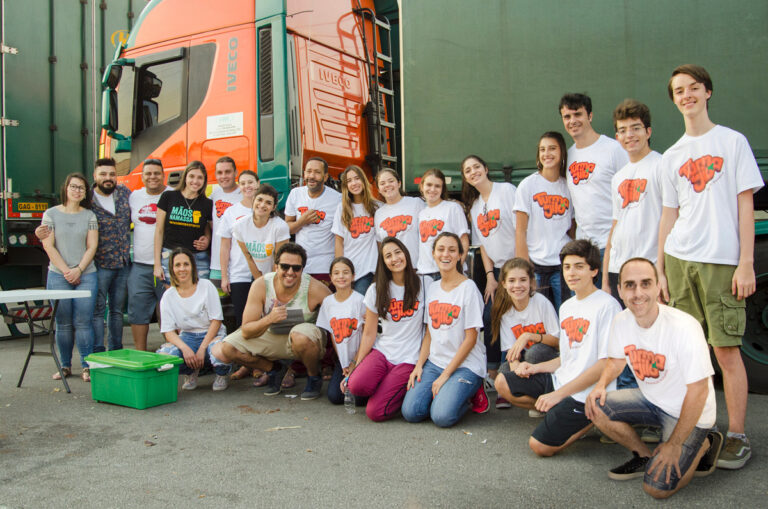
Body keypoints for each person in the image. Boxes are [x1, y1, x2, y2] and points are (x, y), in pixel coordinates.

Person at [657, 64, 763, 470]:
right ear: (674, 100)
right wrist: (661, 266)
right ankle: (695, 428)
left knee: (726, 351)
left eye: (694, 88)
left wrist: (746, 263)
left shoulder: (732, 142)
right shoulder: (672, 156)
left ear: (708, 93)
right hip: (680, 259)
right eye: (679, 91)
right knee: (690, 352)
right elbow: (669, 215)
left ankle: (736, 435)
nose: (687, 95)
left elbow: (745, 204)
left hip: (720, 262)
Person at [586, 258, 722, 499]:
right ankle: (644, 456)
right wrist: (599, 386)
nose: (638, 293)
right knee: (595, 405)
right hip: (652, 399)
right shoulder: (622, 320)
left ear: (658, 287)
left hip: (690, 411)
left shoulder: (684, 327)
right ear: (620, 290)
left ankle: (704, 442)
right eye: (630, 285)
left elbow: (699, 391)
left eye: (645, 284)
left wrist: (675, 444)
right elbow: (617, 361)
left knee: (657, 488)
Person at [495, 239, 621, 456]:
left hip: (586, 392)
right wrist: (534, 368)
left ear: (594, 271)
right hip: (561, 380)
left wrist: (559, 395)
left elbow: (606, 364)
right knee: (502, 380)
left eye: (579, 266)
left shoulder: (607, 306)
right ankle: (558, 410)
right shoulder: (567, 307)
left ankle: (594, 419)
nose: (571, 273)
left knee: (539, 446)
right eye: (567, 267)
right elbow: (567, 357)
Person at [210, 243, 332, 400]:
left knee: (300, 336)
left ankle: (314, 376)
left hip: (305, 339)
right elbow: (246, 330)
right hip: (273, 334)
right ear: (276, 266)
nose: (290, 272)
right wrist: (269, 319)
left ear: (302, 269)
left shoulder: (315, 288)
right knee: (226, 349)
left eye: (296, 268)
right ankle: (274, 369)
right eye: (285, 266)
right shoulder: (261, 285)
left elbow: (337, 315)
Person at [401, 232, 488, 427]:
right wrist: (419, 365)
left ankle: (471, 393)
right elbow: (430, 334)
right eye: (440, 249)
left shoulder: (469, 289)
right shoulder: (432, 288)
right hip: (435, 362)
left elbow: (471, 339)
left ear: (459, 255)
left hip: (465, 365)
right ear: (433, 254)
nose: (445, 254)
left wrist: (445, 375)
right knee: (411, 412)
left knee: (441, 416)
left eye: (451, 250)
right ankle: (447, 394)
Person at [347, 237, 425, 421]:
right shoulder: (376, 289)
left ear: (406, 253)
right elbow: (369, 333)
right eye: (388, 255)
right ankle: (389, 387)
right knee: (356, 385)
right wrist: (357, 367)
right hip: (383, 352)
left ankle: (396, 391)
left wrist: (421, 363)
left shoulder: (424, 284)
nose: (395, 258)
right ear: (383, 262)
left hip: (408, 358)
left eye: (398, 252)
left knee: (375, 413)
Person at [461, 154, 517, 401]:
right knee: (489, 315)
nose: (473, 172)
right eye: (467, 170)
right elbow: (483, 245)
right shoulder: (474, 206)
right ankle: (493, 371)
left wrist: (520, 267)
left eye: (476, 167)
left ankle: (508, 374)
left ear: (485, 168)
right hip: (498, 271)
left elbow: (522, 227)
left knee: (512, 320)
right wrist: (491, 277)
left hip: (517, 266)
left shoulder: (506, 191)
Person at [560, 93, 629, 285]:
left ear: (590, 116)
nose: (572, 121)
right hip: (584, 249)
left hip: (614, 245)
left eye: (578, 114)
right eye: (567, 117)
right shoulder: (568, 155)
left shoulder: (614, 149)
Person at [40, 173, 98, 382]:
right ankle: (64, 366)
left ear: (85, 193)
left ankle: (86, 366)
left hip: (86, 274)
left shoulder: (89, 216)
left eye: (81, 188)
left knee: (84, 321)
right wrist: (66, 270)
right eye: (73, 187)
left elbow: (92, 245)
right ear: (66, 188)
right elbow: (48, 245)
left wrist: (79, 270)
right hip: (58, 274)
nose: (77, 191)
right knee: (63, 322)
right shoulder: (50, 214)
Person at [602, 100, 663, 302]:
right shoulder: (618, 177)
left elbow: (671, 219)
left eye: (636, 128)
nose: (629, 135)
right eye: (623, 130)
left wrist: (662, 271)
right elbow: (615, 226)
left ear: (648, 132)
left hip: (649, 267)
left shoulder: (661, 166)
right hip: (618, 269)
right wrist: (605, 279)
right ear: (617, 137)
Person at [156, 248, 232, 391]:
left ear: (192, 267)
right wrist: (185, 349)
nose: (182, 269)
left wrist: (202, 348)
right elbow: (168, 332)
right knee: (164, 357)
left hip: (211, 334)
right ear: (172, 269)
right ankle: (190, 372)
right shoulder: (168, 296)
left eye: (186, 264)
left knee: (220, 352)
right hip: (187, 336)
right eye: (177, 265)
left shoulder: (206, 286)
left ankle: (222, 374)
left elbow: (216, 321)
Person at [514, 132, 575, 310]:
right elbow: (520, 231)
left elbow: (572, 227)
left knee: (565, 314)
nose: (547, 153)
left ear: (562, 152)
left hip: (562, 264)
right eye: (542, 149)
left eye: (552, 148)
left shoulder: (568, 185)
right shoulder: (528, 185)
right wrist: (525, 270)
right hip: (536, 265)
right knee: (540, 318)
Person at [491, 258, 559, 410]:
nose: (517, 286)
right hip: (526, 363)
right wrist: (518, 371)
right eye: (512, 280)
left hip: (548, 358)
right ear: (504, 284)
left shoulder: (541, 303)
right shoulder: (506, 313)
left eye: (523, 280)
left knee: (534, 353)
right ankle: (541, 405)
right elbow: (512, 353)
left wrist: (529, 335)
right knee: (504, 372)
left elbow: (558, 341)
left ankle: (550, 392)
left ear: (531, 282)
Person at [127, 159, 168, 351]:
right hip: (140, 265)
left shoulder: (172, 195)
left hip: (167, 265)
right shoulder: (134, 197)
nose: (152, 177)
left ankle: (171, 352)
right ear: (142, 177)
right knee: (138, 311)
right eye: (148, 174)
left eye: (156, 173)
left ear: (163, 175)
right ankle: (140, 353)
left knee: (168, 311)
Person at [316, 257, 366, 405]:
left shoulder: (360, 300)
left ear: (353, 276)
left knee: (359, 397)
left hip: (360, 358)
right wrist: (343, 363)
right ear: (331, 277)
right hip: (342, 360)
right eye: (336, 273)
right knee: (335, 396)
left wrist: (354, 363)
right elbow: (333, 333)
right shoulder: (328, 302)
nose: (341, 276)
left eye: (345, 272)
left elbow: (366, 334)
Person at [153, 161, 213, 283]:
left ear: (204, 181)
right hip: (170, 256)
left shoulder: (207, 204)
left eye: (200, 177)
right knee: (172, 297)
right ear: (185, 177)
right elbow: (159, 231)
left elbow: (208, 228)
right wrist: (157, 264)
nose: (195, 181)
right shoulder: (168, 197)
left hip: (198, 258)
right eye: (192, 176)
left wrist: (207, 239)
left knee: (198, 299)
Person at [284, 157, 341, 284]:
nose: (311, 176)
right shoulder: (295, 194)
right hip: (301, 265)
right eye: (308, 171)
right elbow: (286, 229)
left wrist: (337, 266)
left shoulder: (337, 199)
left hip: (325, 266)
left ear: (325, 177)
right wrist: (302, 222)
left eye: (317, 172)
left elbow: (341, 235)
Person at [218, 170, 263, 325]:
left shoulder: (266, 210)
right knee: (242, 320)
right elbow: (224, 246)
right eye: (242, 183)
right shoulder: (231, 212)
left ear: (258, 183)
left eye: (250, 182)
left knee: (262, 318)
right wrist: (225, 276)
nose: (247, 186)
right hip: (239, 274)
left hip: (262, 274)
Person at [332, 165, 380, 295]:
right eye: (349, 181)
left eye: (357, 178)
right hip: (349, 269)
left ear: (364, 180)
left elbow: (380, 241)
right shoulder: (342, 209)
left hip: (369, 269)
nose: (354, 183)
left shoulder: (377, 207)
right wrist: (339, 267)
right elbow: (339, 241)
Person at [416, 169, 470, 280]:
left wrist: (457, 268)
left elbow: (464, 240)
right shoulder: (421, 213)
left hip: (448, 271)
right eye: (429, 185)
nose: (432, 189)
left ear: (442, 189)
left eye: (437, 186)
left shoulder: (452, 208)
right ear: (422, 187)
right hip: (425, 273)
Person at [374, 168, 425, 268]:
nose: (387, 185)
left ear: (399, 183)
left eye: (391, 181)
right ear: (379, 189)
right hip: (394, 270)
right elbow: (381, 246)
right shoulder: (379, 214)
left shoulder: (416, 204)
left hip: (417, 268)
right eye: (382, 183)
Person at [209, 156, 242, 286]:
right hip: (217, 265)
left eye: (227, 172)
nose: (223, 176)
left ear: (236, 173)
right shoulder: (214, 195)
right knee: (218, 304)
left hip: (240, 266)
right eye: (220, 172)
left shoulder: (245, 194)